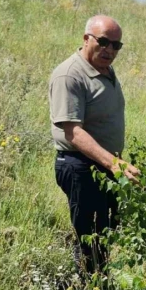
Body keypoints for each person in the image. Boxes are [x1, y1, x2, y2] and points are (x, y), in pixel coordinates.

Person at [49, 15, 139, 275]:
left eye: (116, 46)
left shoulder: (105, 68)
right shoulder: (69, 75)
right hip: (81, 167)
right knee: (89, 236)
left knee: (105, 231)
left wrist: (113, 164)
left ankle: (101, 285)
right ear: (86, 39)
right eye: (103, 42)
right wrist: (115, 163)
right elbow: (73, 132)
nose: (110, 50)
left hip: (104, 166)